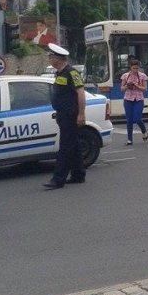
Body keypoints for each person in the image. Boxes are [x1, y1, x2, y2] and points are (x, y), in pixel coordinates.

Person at [43, 43, 86, 190]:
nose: (49, 59)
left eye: (50, 56)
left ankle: (57, 179)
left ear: (57, 58)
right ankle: (78, 175)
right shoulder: (60, 73)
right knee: (73, 145)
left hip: (70, 115)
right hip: (63, 115)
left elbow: (80, 93)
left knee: (65, 147)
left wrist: (81, 114)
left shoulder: (71, 73)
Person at [120, 59, 148, 145]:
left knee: (137, 118)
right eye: (134, 68)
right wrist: (127, 86)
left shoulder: (142, 76)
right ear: (130, 68)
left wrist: (136, 85)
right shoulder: (125, 76)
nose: (135, 70)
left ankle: (144, 131)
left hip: (139, 99)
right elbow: (122, 88)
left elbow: (145, 89)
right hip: (128, 99)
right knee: (129, 120)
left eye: (137, 68)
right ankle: (130, 139)